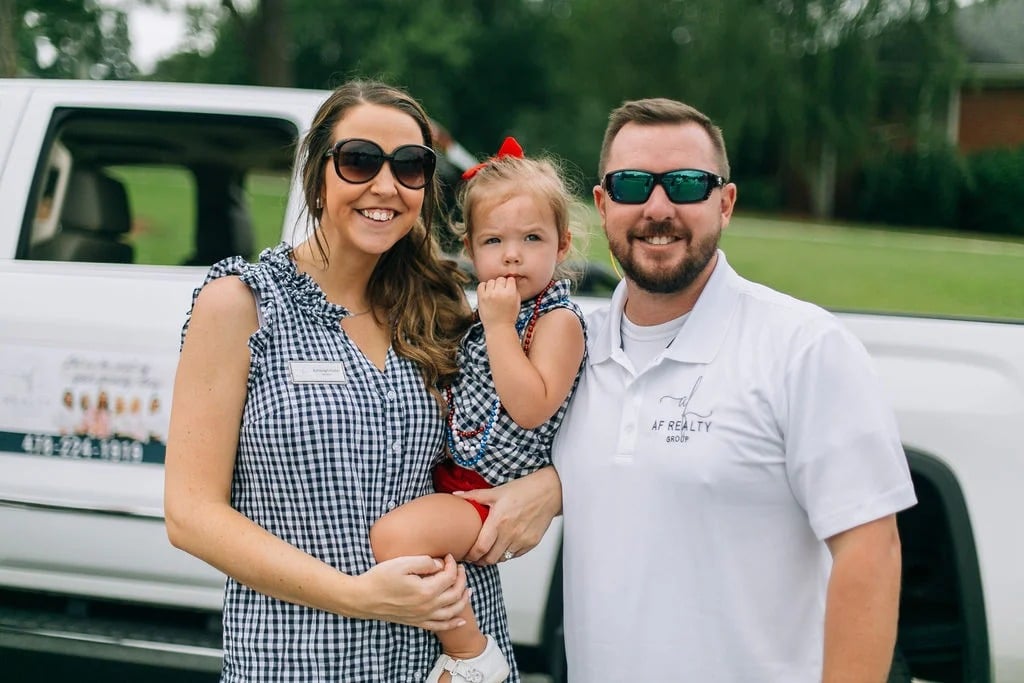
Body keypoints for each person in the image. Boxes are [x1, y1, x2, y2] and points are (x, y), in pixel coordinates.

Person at [163, 80, 553, 682]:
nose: (385, 185)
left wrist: (551, 488)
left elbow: (555, 415)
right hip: (301, 660)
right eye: (359, 160)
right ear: (317, 172)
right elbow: (190, 515)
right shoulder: (241, 304)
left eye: (410, 166)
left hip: (448, 664)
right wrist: (356, 596)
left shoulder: (447, 305)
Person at [550, 97, 918, 682]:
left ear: (726, 203)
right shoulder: (570, 349)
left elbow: (870, 552)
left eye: (688, 184)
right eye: (632, 184)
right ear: (602, 203)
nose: (658, 207)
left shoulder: (804, 347)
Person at [369, 137, 587, 683]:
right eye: (494, 240)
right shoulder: (485, 310)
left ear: (561, 246)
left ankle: (470, 653)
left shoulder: (555, 322)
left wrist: (495, 327)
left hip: (494, 493)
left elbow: (532, 406)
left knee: (396, 538)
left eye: (531, 238)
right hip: (458, 477)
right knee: (404, 537)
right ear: (470, 248)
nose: (512, 254)